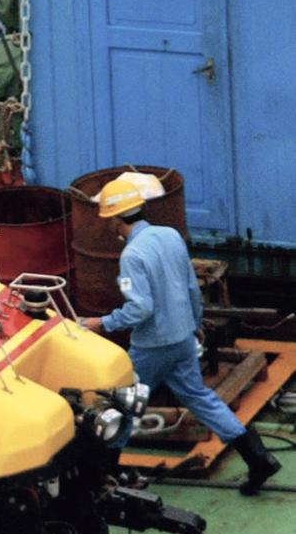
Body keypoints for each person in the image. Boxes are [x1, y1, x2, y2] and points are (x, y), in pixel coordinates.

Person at [80, 178, 281, 495]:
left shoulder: (132, 256)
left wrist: (100, 323)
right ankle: (257, 458)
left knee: (123, 405)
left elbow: (140, 309)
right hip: (183, 338)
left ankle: (106, 476)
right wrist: (196, 322)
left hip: (151, 347)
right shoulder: (170, 236)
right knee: (201, 398)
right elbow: (190, 285)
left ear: (116, 220)